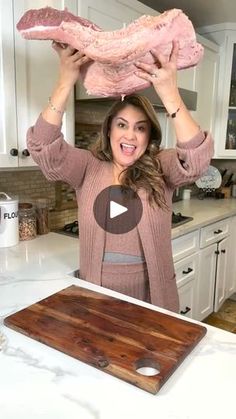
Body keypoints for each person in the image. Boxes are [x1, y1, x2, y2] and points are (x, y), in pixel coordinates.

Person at [26, 41, 214, 312]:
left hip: (153, 296)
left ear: (148, 136)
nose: (130, 135)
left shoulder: (161, 167)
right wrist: (65, 82)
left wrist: (169, 92)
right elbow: (43, 147)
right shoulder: (87, 166)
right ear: (109, 131)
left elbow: (196, 159)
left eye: (140, 128)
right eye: (122, 125)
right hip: (96, 295)